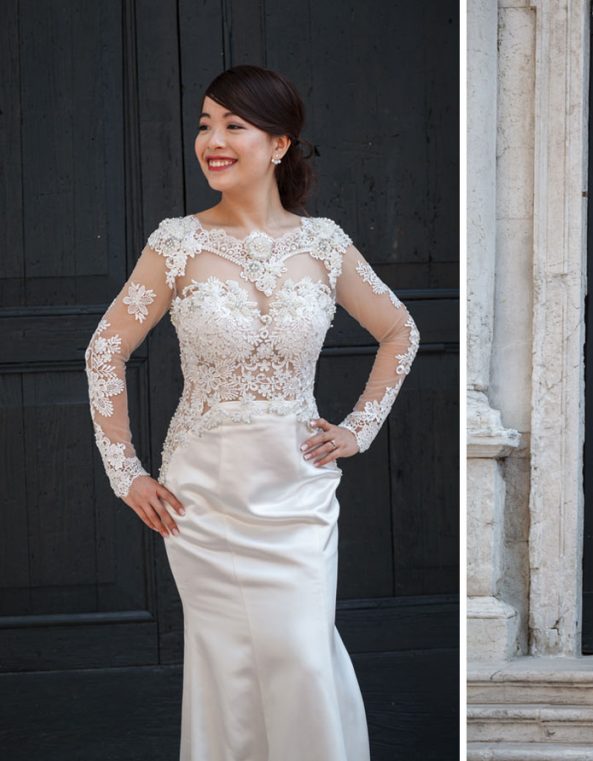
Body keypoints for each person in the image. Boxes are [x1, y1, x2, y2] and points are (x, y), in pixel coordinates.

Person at [84, 65, 419, 760]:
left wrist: (357, 429)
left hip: (297, 491)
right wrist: (127, 473)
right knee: (230, 670)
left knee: (300, 652)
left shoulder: (323, 244)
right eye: (206, 124)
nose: (213, 139)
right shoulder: (177, 244)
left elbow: (401, 332)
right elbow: (104, 352)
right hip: (202, 495)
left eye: (234, 125)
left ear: (278, 143)